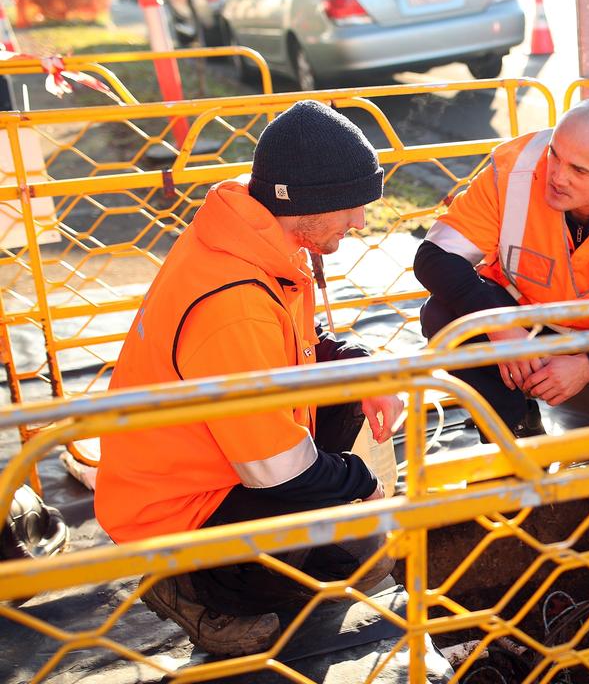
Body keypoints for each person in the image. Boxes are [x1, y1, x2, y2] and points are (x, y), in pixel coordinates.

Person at [95, 100, 404, 656]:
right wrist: (364, 485)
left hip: (223, 458)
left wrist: (362, 363)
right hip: (178, 511)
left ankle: (308, 550)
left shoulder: (258, 233)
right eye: (352, 205)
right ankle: (189, 588)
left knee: (347, 403)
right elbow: (277, 473)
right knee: (310, 497)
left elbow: (291, 346)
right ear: (308, 200)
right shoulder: (233, 302)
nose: (360, 221)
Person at [414, 98, 589, 436]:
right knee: (441, 317)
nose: (557, 176)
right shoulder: (511, 167)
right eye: (554, 153)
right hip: (528, 322)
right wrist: (501, 326)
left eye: (579, 170)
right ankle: (517, 427)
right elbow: (433, 256)